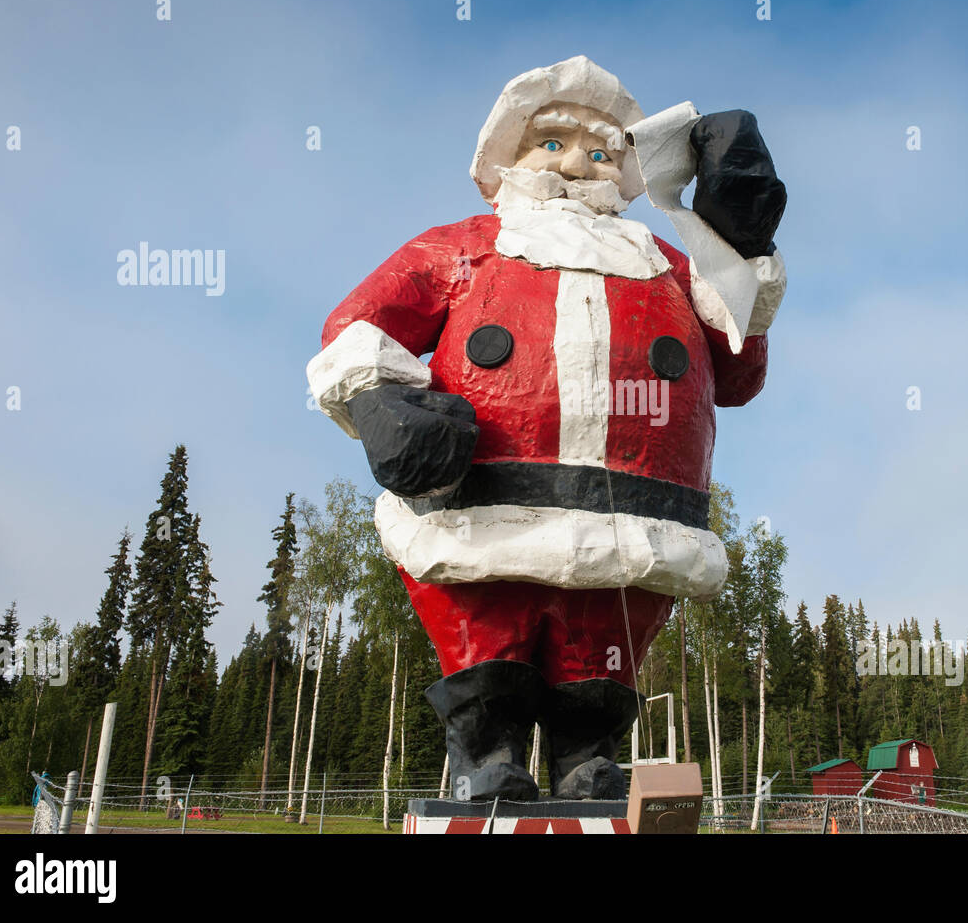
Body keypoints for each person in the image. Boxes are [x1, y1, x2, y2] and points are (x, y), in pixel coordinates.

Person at [307, 56, 786, 801]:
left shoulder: (666, 265)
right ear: (508, 153)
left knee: (601, 648)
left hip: (638, 518)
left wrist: (738, 245)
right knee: (488, 634)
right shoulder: (466, 247)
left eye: (599, 150)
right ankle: (486, 757)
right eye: (553, 142)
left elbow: (740, 373)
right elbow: (357, 326)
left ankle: (586, 756)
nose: (575, 163)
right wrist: (380, 404)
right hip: (486, 504)